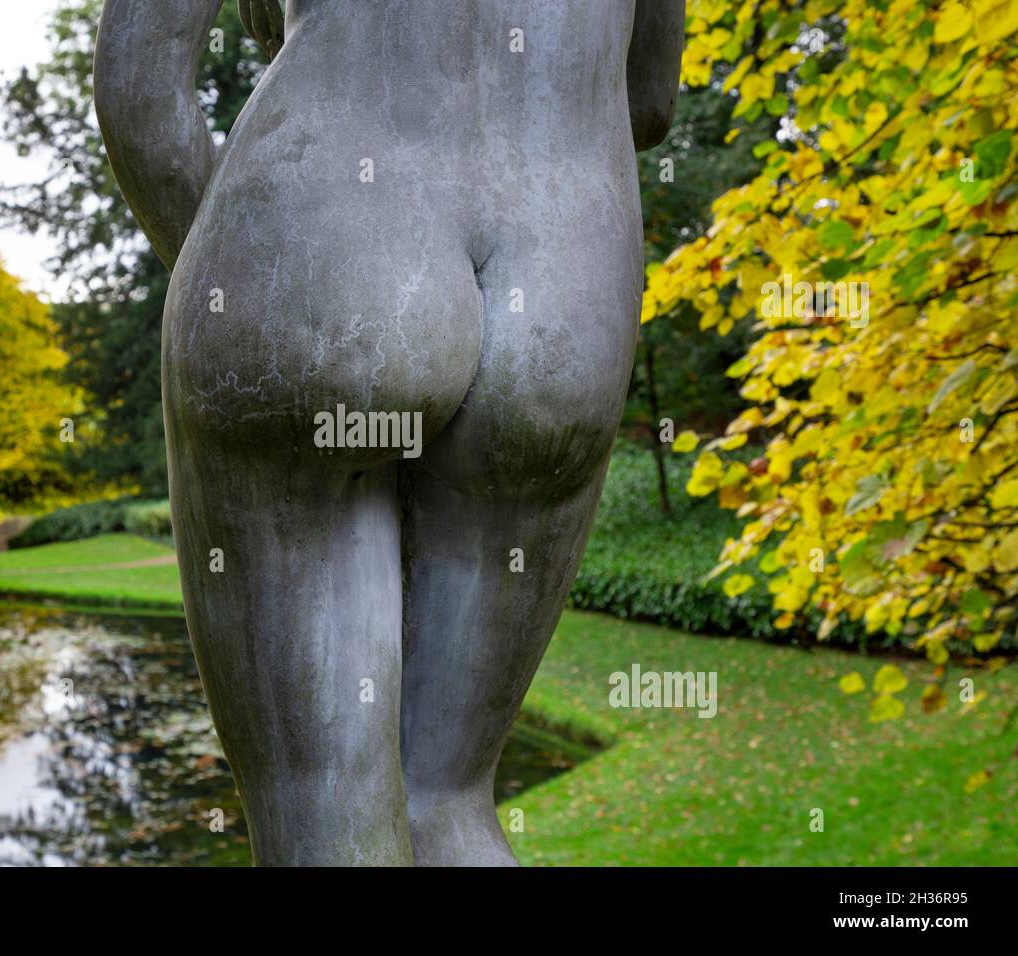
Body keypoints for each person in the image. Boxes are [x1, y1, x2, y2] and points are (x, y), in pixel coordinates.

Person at [95, 0, 683, 866]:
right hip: (568, 277)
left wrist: (238, 292)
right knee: (447, 802)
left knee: (324, 809)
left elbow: (138, 89)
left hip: (324, 218)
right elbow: (648, 102)